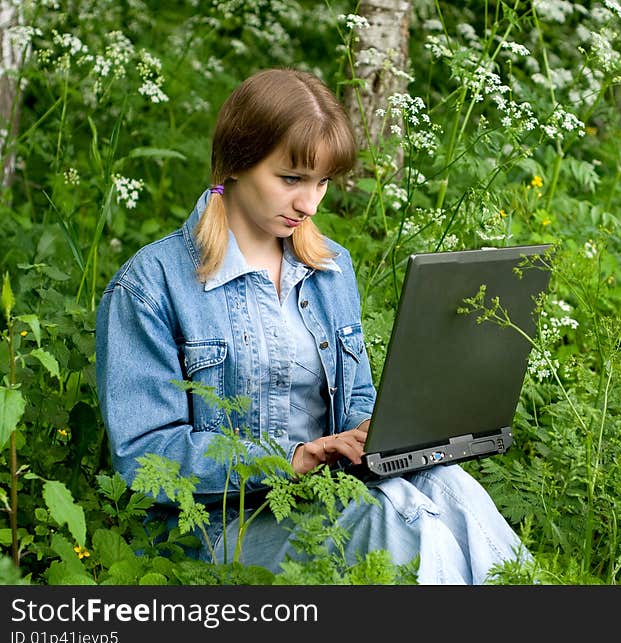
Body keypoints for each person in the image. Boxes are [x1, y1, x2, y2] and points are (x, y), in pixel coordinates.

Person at [94, 67, 529, 584]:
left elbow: (357, 399)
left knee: (453, 493)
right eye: (291, 179)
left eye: (322, 181)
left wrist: (383, 433)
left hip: (331, 492)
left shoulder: (329, 268)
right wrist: (293, 458)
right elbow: (144, 458)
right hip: (221, 523)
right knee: (401, 532)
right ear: (234, 163)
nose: (310, 203)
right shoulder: (152, 283)